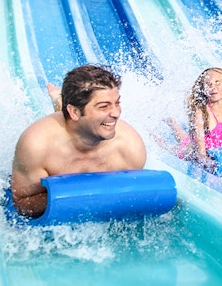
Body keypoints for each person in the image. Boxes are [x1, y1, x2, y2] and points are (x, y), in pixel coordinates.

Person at [11, 65, 147, 218]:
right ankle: (58, 100)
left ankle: (60, 101)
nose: (116, 113)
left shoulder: (129, 147)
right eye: (104, 106)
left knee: (78, 124)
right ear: (74, 111)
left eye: (117, 103)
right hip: (66, 127)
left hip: (76, 122)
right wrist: (82, 197)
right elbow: (22, 203)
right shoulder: (37, 145)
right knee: (68, 122)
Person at [161, 67, 222, 169]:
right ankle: (153, 132)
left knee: (186, 139)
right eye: (208, 84)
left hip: (194, 143)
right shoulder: (201, 113)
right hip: (190, 152)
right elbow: (200, 154)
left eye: (217, 82)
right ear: (203, 89)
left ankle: (172, 123)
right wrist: (210, 163)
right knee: (166, 147)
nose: (213, 87)